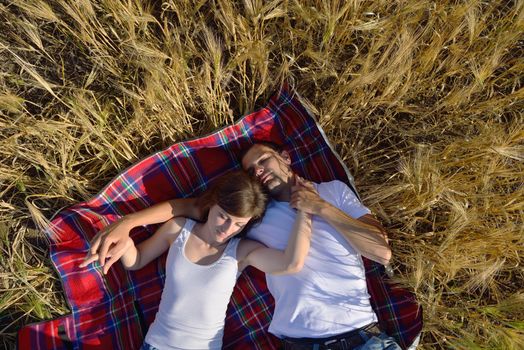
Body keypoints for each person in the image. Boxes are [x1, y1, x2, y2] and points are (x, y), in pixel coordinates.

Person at [86, 142, 402, 349]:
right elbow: (189, 208)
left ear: (286, 158)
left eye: (263, 160)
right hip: (301, 341)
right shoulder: (254, 213)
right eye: (252, 170)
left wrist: (318, 207)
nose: (259, 171)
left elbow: (381, 251)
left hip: (362, 332)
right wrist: (128, 223)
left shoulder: (334, 192)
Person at [80, 170, 313, 350]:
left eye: (239, 224)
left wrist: (306, 211)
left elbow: (290, 263)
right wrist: (126, 244)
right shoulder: (179, 229)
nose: (228, 228)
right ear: (211, 204)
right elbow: (137, 260)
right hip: (158, 344)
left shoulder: (241, 251)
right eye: (223, 216)